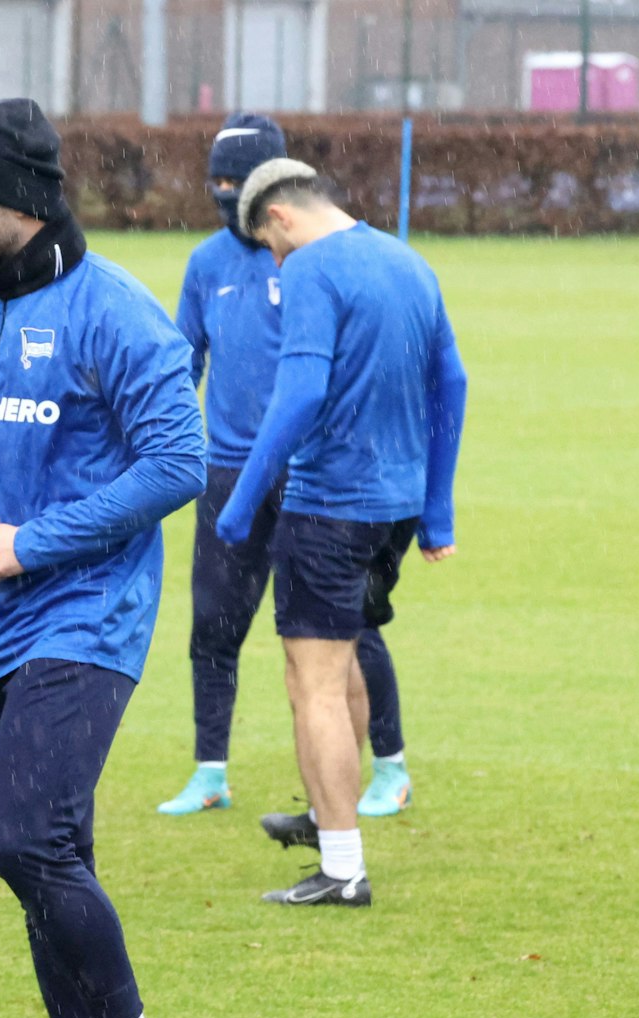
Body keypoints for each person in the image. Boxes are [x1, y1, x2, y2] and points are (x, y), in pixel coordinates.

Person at [0, 99, 207, 1018]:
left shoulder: (119, 314)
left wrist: (36, 543)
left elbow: (177, 464)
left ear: (19, 200)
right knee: (52, 854)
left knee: (20, 836)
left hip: (86, 616)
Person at [215, 158, 467, 907]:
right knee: (347, 659)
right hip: (392, 507)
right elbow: (450, 383)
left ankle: (343, 867)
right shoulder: (407, 259)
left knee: (311, 682)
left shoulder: (311, 271)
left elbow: (300, 392)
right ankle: (334, 818)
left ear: (281, 216)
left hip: (328, 506)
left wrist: (239, 501)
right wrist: (437, 507)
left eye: (268, 244)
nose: (274, 260)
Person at [158, 115, 416, 821]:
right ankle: (210, 770)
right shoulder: (206, 264)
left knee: (346, 631)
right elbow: (186, 358)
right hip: (226, 471)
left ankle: (389, 766)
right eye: (214, 183)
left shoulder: (315, 260)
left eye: (235, 183)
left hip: (313, 479)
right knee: (213, 625)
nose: (224, 195)